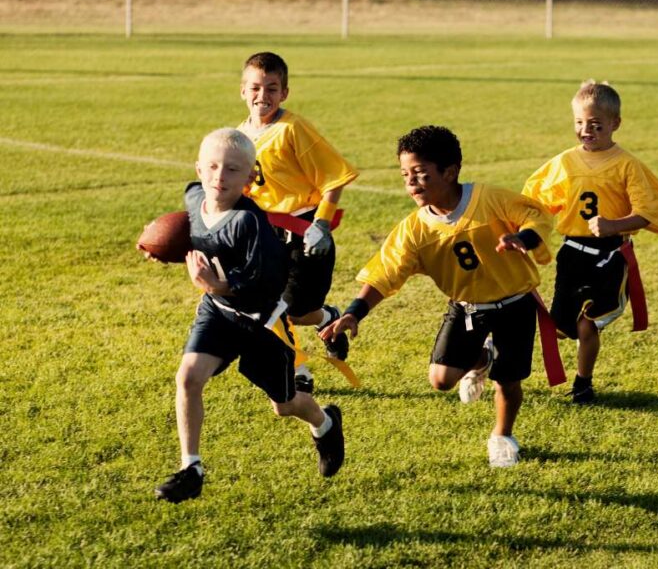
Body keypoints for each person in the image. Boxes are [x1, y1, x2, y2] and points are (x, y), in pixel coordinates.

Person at [318, 126, 552, 468]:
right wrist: (355, 312)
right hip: (467, 307)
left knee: (508, 380)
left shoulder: (489, 199)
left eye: (421, 174)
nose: (411, 183)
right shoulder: (415, 229)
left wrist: (525, 238)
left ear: (450, 171)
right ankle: (480, 360)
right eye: (405, 175)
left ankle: (502, 435)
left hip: (514, 303)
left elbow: (536, 214)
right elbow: (386, 271)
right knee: (441, 380)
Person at [155, 128, 344, 504]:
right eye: (211, 167)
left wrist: (218, 285)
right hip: (219, 312)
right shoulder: (195, 197)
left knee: (286, 405)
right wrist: (163, 248)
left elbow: (266, 285)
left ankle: (325, 425)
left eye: (231, 170)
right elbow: (191, 233)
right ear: (198, 168)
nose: (219, 177)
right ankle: (190, 467)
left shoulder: (251, 222)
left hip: (263, 323)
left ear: (251, 177)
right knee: (188, 378)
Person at [522, 80, 658, 405]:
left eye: (595, 125)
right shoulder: (565, 162)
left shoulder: (627, 164)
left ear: (615, 124)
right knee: (561, 328)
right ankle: (496, 348)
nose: (585, 130)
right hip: (572, 254)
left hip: (609, 257)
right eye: (579, 123)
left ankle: (583, 384)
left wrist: (615, 224)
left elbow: (648, 212)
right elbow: (537, 202)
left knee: (588, 324)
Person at [238, 51, 360, 392]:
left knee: (295, 312)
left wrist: (320, 224)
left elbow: (334, 177)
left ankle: (327, 317)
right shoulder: (239, 136)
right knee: (267, 308)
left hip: (303, 230)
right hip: (264, 232)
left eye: (272, 88)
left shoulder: (294, 128)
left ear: (284, 93)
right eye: (256, 87)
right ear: (243, 91)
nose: (263, 95)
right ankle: (299, 372)